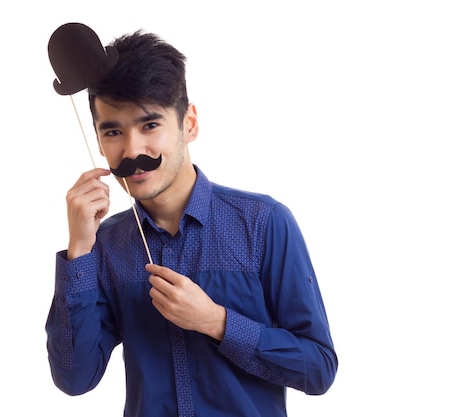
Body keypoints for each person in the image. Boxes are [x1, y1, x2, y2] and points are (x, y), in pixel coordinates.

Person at [46, 29, 338, 417]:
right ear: (99, 141)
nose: (132, 151)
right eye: (113, 131)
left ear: (189, 124)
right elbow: (74, 379)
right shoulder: (105, 245)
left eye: (150, 125)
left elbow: (318, 369)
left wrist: (217, 322)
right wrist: (80, 249)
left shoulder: (264, 223)